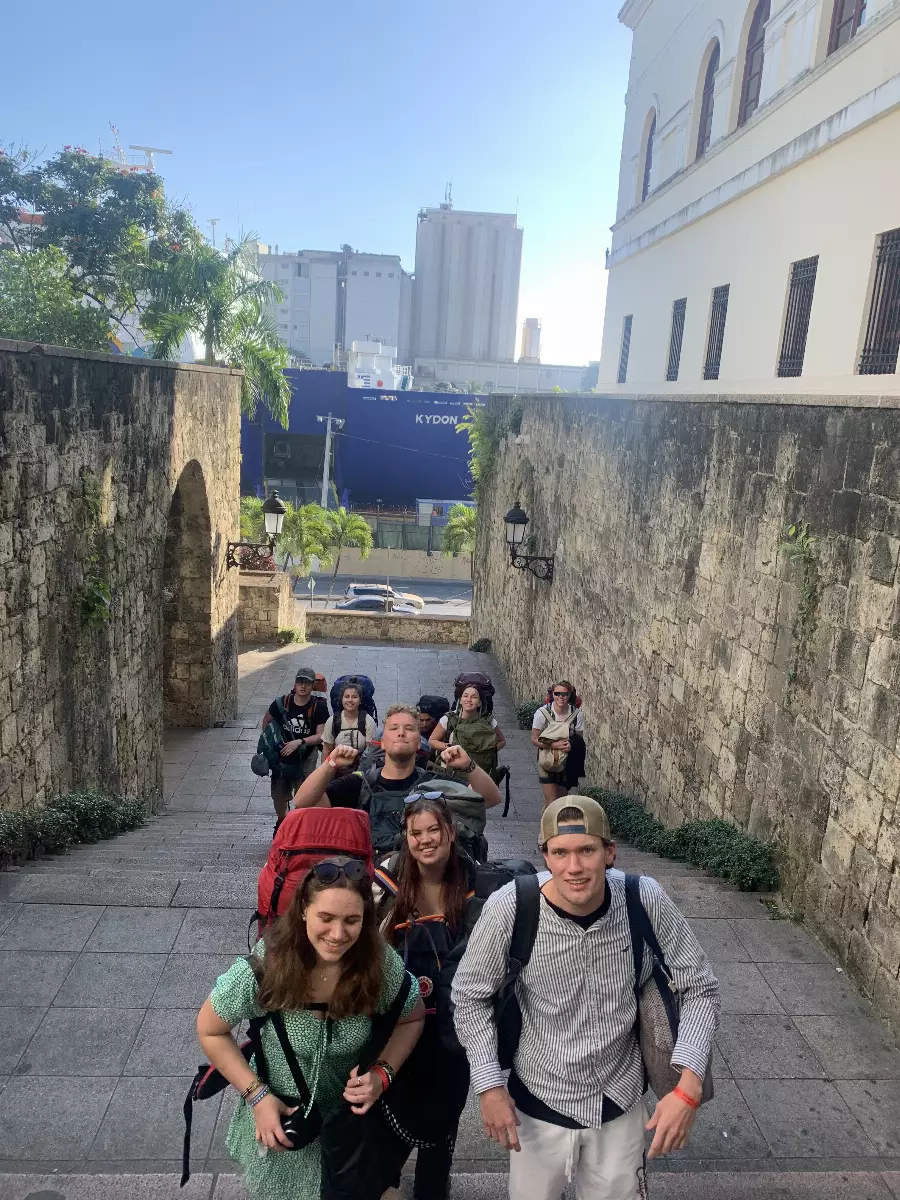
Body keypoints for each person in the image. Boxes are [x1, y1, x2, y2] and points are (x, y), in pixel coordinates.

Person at [452, 795, 720, 1200]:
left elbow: (700, 984)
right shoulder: (511, 907)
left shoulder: (642, 898)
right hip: (538, 1100)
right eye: (560, 853)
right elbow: (470, 996)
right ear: (545, 856)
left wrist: (689, 1084)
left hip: (619, 1099)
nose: (574, 867)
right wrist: (488, 1086)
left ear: (609, 853)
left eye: (587, 851)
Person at [196, 856, 425, 1200]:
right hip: (284, 1119)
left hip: (350, 1128)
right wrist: (257, 1097)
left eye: (352, 920)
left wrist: (383, 1074)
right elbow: (210, 1028)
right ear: (304, 910)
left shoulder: (377, 963)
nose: (338, 934)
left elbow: (413, 1016)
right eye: (326, 918)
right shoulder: (270, 965)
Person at [372, 796, 475, 1200]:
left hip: (452, 1023)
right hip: (398, 1020)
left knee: (444, 1112)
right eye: (416, 832)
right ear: (406, 837)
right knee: (393, 1112)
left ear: (450, 832)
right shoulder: (387, 878)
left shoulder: (473, 881)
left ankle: (433, 1187)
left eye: (434, 830)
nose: (426, 839)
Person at [293, 704, 502, 859]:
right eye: (393, 729)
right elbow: (302, 801)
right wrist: (330, 763)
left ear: (419, 742)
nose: (401, 733)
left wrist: (468, 766)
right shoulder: (359, 784)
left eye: (409, 728)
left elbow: (490, 799)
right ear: (382, 743)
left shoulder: (435, 784)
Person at [261, 667, 328, 829]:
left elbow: (321, 735)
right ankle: (282, 823)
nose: (303, 686)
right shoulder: (282, 703)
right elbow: (267, 721)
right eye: (300, 682)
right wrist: (270, 743)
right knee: (278, 795)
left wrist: (299, 742)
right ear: (295, 683)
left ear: (313, 685)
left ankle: (298, 825)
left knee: (304, 795)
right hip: (282, 758)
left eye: (307, 683)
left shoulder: (318, 707)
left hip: (306, 757)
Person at [531, 681, 585, 808]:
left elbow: (579, 739)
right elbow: (534, 739)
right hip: (546, 760)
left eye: (564, 694)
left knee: (561, 803)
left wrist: (571, 745)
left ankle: (551, 821)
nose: (561, 697)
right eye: (557, 693)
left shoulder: (576, 715)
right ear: (553, 694)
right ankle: (546, 821)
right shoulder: (542, 713)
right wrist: (554, 745)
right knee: (551, 802)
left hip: (566, 763)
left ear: (569, 695)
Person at [428, 684, 506, 772]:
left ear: (479, 703)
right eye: (465, 696)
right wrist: (450, 747)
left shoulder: (489, 721)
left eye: (474, 697)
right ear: (460, 700)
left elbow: (502, 741)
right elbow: (432, 741)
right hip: (452, 770)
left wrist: (487, 752)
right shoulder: (448, 719)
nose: (469, 700)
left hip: (480, 771)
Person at [321, 680, 377, 769]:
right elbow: (326, 751)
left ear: (360, 700)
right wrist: (324, 772)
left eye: (354, 697)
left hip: (360, 770)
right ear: (342, 699)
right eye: (347, 696)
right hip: (336, 769)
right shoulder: (333, 721)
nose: (350, 700)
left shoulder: (368, 721)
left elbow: (371, 752)